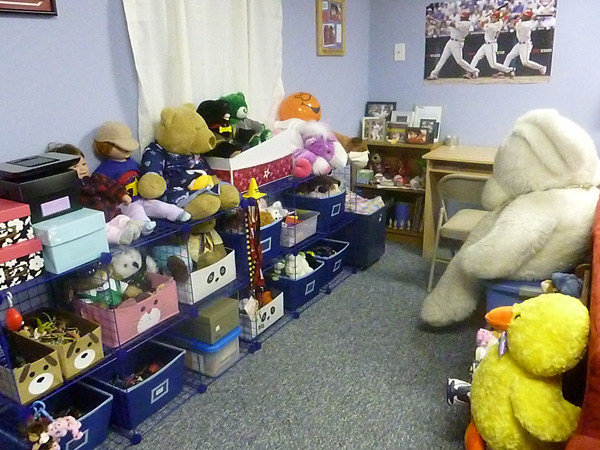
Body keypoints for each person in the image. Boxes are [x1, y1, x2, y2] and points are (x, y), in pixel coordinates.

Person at [46, 143, 144, 245]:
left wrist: (123, 195)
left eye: (84, 164)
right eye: (75, 167)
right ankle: (121, 237)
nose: (83, 169)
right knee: (107, 232)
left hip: (113, 214)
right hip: (97, 223)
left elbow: (112, 186)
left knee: (123, 219)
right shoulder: (71, 190)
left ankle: (135, 227)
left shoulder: (96, 178)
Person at [427, 10, 479, 80]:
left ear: (466, 18)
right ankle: (433, 74)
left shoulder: (466, 24)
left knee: (459, 61)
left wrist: (445, 21)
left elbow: (453, 25)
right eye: (461, 16)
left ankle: (474, 71)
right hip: (451, 41)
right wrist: (443, 22)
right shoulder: (461, 22)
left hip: (457, 43)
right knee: (442, 59)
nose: (461, 17)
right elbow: (450, 25)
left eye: (463, 17)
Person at [470, 11, 515, 78]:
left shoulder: (495, 26)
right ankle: (471, 72)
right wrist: (486, 18)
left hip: (491, 45)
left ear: (497, 18)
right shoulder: (497, 21)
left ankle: (510, 70)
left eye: (494, 18)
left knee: (493, 64)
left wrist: (482, 20)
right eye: (492, 17)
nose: (492, 19)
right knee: (476, 57)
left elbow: (483, 25)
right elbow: (488, 20)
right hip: (486, 44)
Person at [503, 9, 547, 75]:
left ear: (527, 18)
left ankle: (541, 67)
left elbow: (515, 24)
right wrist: (528, 17)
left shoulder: (526, 25)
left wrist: (523, 18)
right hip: (519, 43)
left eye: (524, 16)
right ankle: (503, 71)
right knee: (509, 56)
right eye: (523, 15)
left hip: (525, 44)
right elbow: (519, 21)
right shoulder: (524, 21)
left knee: (525, 62)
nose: (522, 16)